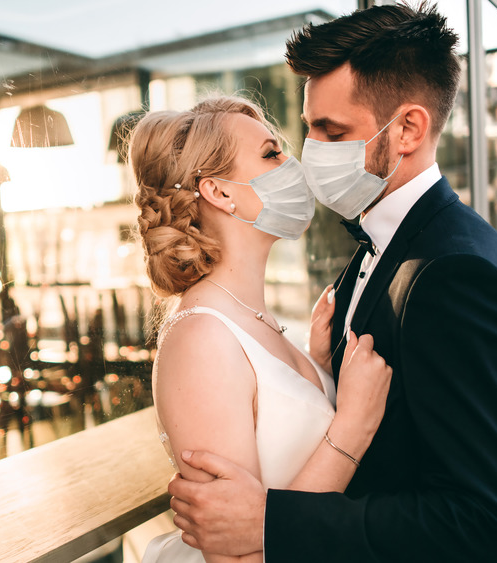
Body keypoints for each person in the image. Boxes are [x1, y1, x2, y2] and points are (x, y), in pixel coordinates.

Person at [167, 4, 497, 562]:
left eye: (330, 132)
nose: (309, 153)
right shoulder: (377, 245)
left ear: (408, 129)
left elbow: (481, 519)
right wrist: (320, 370)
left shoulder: (458, 274)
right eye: (308, 129)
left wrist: (271, 523)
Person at [130, 96, 394, 562]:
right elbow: (236, 554)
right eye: (273, 154)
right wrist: (354, 427)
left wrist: (316, 370)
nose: (295, 166)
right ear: (220, 192)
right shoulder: (199, 341)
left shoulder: (255, 320)